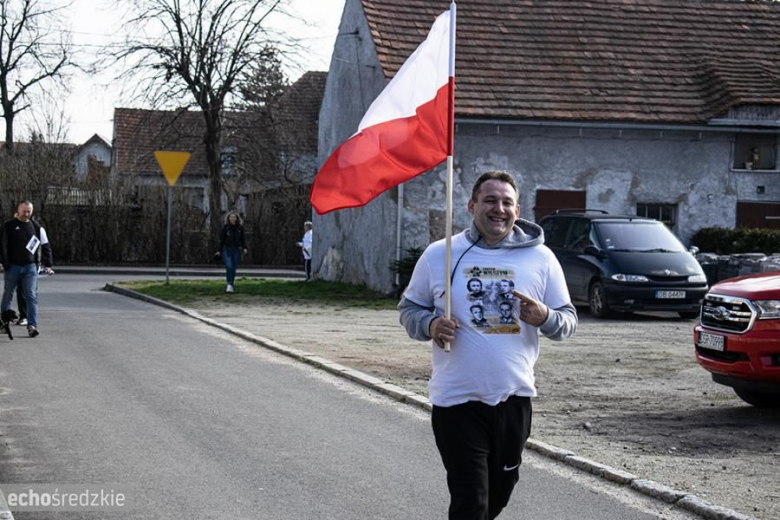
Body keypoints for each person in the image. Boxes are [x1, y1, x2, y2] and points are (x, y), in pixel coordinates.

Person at [398, 170, 577, 520]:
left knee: (497, 497)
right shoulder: (442, 255)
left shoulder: (541, 258)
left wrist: (544, 316)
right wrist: (431, 324)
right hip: (457, 401)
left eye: (506, 202)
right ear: (471, 205)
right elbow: (409, 309)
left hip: (513, 399)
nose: (499, 209)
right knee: (471, 501)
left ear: (518, 209)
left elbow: (567, 322)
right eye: (490, 200)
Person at [0, 201, 54, 338]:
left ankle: (32, 325)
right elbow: (2, 246)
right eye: (24, 211)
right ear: (18, 211)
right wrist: (2, 262)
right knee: (8, 294)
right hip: (12, 266)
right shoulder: (8, 226)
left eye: (29, 211)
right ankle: (3, 323)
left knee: (31, 296)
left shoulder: (36, 227)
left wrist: (48, 264)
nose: (27, 214)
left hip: (30, 266)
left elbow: (46, 245)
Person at [215, 211, 247, 293]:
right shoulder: (225, 228)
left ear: (237, 219)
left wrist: (244, 247)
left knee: (234, 266)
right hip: (227, 248)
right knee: (229, 265)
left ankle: (231, 283)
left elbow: (243, 239)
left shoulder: (240, 228)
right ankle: (229, 284)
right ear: (228, 218)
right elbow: (221, 240)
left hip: (236, 249)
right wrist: (219, 250)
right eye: (231, 217)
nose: (233, 219)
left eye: (234, 217)